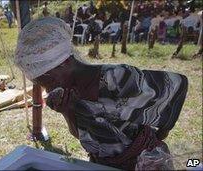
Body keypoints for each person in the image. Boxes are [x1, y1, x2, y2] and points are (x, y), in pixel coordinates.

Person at [14, 17, 188, 170]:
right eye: (44, 86)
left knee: (190, 164)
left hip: (146, 162)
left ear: (64, 62)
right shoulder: (68, 94)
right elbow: (85, 137)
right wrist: (67, 111)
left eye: (49, 82)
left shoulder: (117, 79)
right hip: (104, 164)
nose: (49, 91)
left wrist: (160, 135)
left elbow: (175, 86)